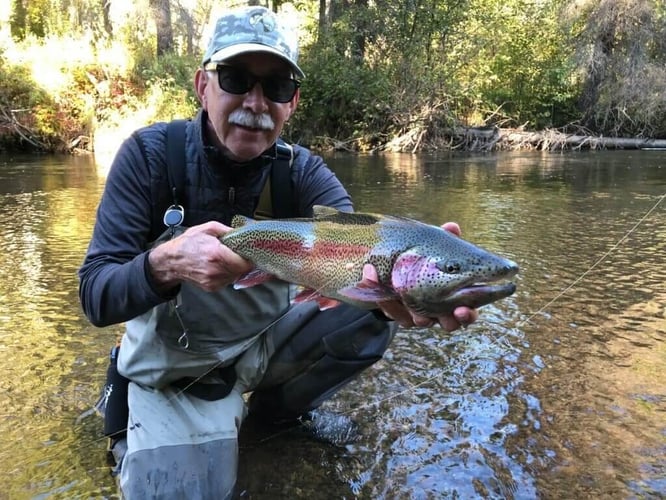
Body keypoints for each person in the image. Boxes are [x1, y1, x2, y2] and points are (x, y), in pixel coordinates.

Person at [78, 5, 478, 499]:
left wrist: (415, 271)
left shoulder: (306, 175)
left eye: (277, 87)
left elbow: (359, 246)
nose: (256, 101)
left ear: (292, 103)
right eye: (236, 78)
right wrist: (167, 263)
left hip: (258, 344)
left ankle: (269, 415)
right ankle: (139, 402)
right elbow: (95, 295)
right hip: (173, 364)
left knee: (369, 319)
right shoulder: (150, 157)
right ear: (203, 86)